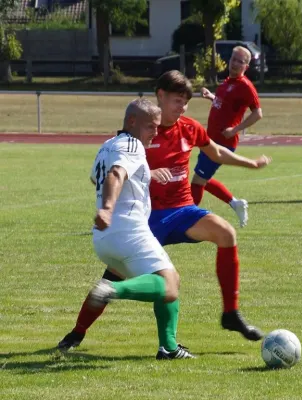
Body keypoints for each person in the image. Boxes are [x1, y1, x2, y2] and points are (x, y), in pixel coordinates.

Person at [58, 71, 271, 354]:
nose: (181, 107)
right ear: (160, 96)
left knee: (226, 233)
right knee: (117, 276)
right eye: (176, 100)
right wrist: (147, 174)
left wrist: (250, 164)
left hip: (182, 210)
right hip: (146, 220)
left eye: (185, 102)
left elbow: (216, 152)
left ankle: (229, 314)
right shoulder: (140, 135)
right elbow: (117, 171)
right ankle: (77, 332)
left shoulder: (190, 128)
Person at [82, 98, 194, 360]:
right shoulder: (132, 145)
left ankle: (168, 347)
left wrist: (145, 173)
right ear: (132, 122)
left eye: (157, 127)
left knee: (166, 278)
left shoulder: (107, 146)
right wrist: (109, 208)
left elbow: (96, 177)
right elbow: (116, 174)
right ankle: (112, 291)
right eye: (150, 127)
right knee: (169, 284)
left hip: (104, 239)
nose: (155, 132)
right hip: (128, 230)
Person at [190, 45, 263, 227]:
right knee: (202, 179)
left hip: (222, 142)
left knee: (198, 180)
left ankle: (187, 218)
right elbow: (226, 104)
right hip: (210, 138)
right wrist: (211, 97)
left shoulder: (246, 86)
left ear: (246, 66)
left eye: (241, 61)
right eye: (234, 59)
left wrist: (235, 129)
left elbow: (257, 113)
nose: (236, 63)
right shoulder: (228, 82)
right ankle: (235, 203)